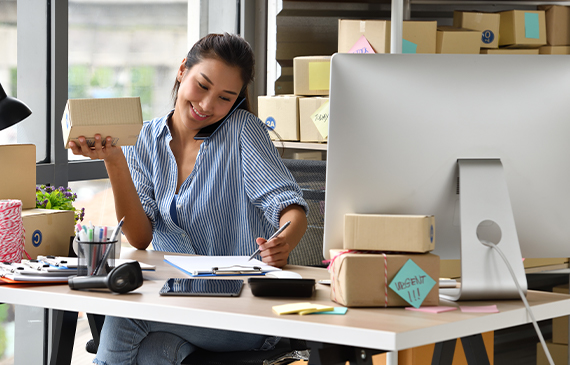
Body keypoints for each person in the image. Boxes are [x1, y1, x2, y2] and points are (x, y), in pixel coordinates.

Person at [69, 33, 308, 365]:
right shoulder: (144, 140)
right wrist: (114, 160)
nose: (208, 105)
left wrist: (283, 241)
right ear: (183, 70)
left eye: (225, 97)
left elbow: (291, 209)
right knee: (156, 352)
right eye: (203, 85)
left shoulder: (242, 131)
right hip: (177, 301)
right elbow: (140, 236)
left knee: (126, 315)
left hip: (244, 309)